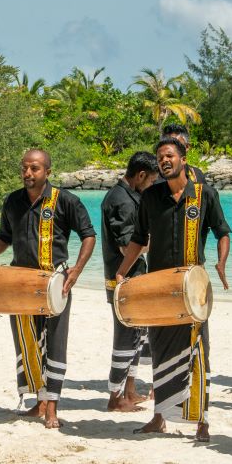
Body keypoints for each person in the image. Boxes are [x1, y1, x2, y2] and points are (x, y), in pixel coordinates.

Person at [0, 149, 96, 429]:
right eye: (25, 168)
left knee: (54, 344)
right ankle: (38, 402)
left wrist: (76, 270)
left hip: (56, 283)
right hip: (19, 284)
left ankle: (52, 407)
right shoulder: (13, 201)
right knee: (27, 342)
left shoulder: (66, 201)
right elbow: (4, 237)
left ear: (47, 173)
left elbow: (88, 235)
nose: (28, 173)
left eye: (35, 168)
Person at [116, 138, 231, 441]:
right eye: (160, 157)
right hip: (159, 286)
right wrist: (122, 271)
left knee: (197, 351)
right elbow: (138, 239)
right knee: (161, 348)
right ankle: (159, 417)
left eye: (169, 155)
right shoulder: (151, 197)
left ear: (183, 158)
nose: (164, 160)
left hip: (194, 288)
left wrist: (221, 263)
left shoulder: (204, 194)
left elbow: (222, 232)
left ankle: (202, 421)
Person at [101, 151, 159, 411]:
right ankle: (115, 398)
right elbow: (127, 248)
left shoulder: (126, 196)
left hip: (131, 278)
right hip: (124, 280)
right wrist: (158, 242)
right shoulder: (121, 201)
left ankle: (129, 390)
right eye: (150, 181)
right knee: (125, 337)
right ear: (141, 175)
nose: (150, 187)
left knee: (137, 336)